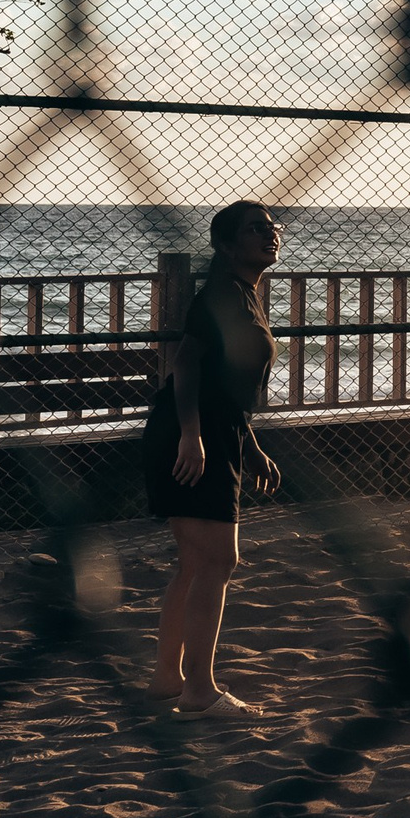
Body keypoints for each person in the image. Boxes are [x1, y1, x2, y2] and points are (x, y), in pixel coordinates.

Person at [142, 200, 284, 717]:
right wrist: (191, 437)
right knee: (219, 561)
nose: (269, 236)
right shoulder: (222, 295)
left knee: (196, 562)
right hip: (190, 435)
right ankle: (199, 691)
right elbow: (185, 364)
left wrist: (250, 447)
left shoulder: (245, 294)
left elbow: (229, 389)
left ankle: (167, 679)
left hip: (212, 432)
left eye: (272, 228)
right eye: (255, 230)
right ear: (225, 245)